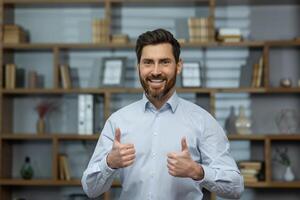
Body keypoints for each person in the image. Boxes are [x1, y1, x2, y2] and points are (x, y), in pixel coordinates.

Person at [81, 28, 244, 200]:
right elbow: (90, 189)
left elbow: (236, 187)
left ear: (178, 66)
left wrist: (197, 171)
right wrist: (109, 163)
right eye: (148, 62)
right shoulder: (118, 122)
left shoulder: (202, 121)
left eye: (164, 62)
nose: (156, 71)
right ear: (139, 66)